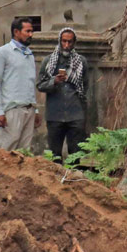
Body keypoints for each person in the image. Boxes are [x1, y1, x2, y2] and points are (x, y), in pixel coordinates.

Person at [0, 18, 41, 151]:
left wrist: (35, 110)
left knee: (24, 152)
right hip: (11, 110)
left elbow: (30, 84)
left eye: (32, 31)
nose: (31, 34)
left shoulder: (29, 54)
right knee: (6, 151)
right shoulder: (2, 53)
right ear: (16, 32)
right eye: (27, 31)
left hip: (28, 109)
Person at [38, 26, 86, 158]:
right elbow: (40, 85)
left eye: (69, 42)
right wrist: (54, 81)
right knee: (54, 155)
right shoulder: (49, 62)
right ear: (59, 41)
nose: (66, 45)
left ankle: (73, 178)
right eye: (64, 41)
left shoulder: (81, 62)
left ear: (74, 43)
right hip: (55, 115)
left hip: (75, 115)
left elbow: (84, 87)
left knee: (76, 155)